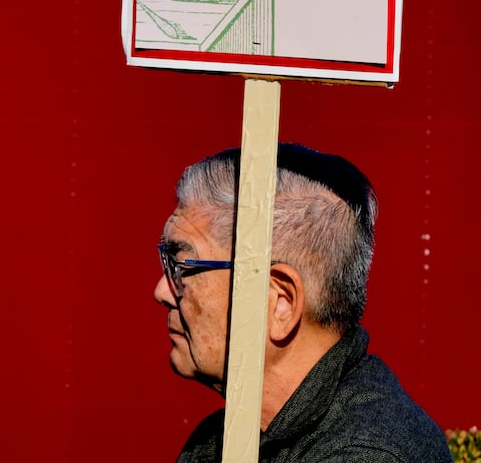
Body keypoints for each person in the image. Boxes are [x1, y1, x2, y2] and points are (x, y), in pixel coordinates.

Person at [154, 143, 451, 462]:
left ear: (279, 303)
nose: (161, 291)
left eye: (182, 266)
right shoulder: (220, 442)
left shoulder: (367, 453)